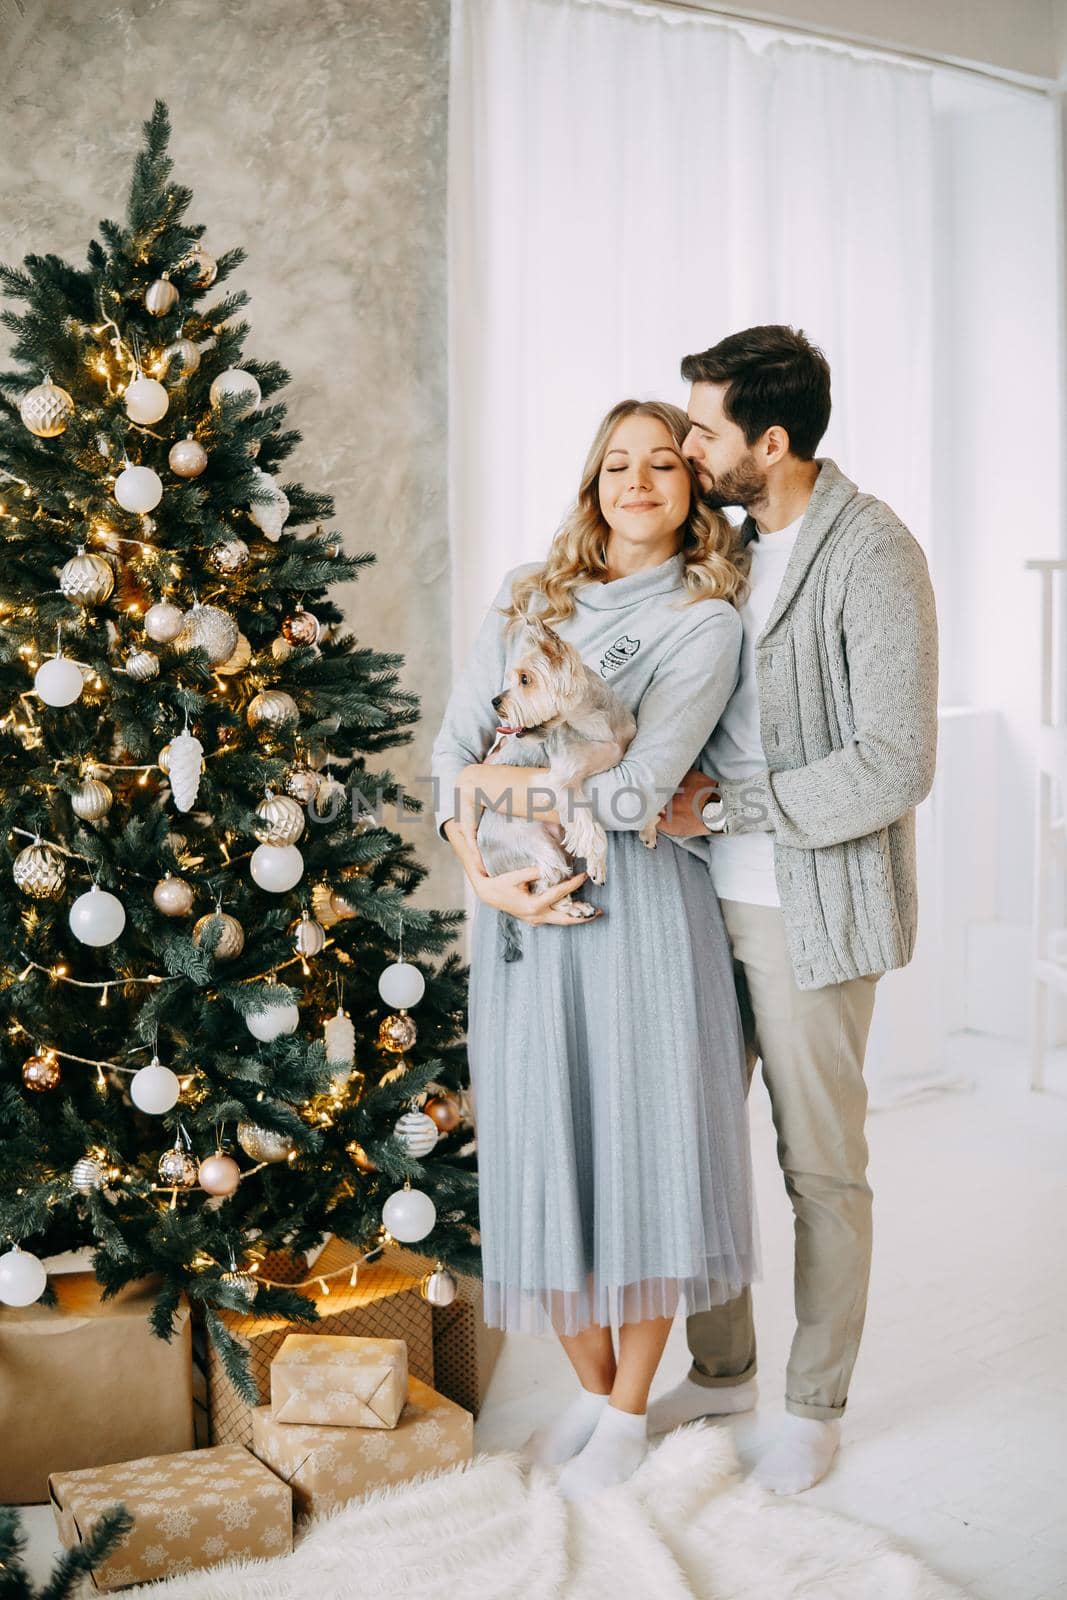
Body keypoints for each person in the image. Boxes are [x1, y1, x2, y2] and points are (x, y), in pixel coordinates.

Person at [431, 398, 759, 1501]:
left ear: (691, 488)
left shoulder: (703, 621)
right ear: (590, 484)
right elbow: (454, 746)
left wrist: (519, 789)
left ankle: (628, 1410)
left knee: (645, 1147)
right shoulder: (530, 596)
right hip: (518, 915)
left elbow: (636, 789)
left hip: (644, 927)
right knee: (539, 1143)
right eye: (616, 463)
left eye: (662, 462)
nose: (637, 481)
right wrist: (478, 861)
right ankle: (587, 1386)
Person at [646, 325, 939, 1495]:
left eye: (704, 428)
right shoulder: (718, 542)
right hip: (686, 906)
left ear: (769, 441)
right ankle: (719, 1372)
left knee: (819, 1168)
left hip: (807, 909)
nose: (683, 445)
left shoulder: (872, 554)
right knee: (698, 1152)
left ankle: (813, 1404)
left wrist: (726, 811)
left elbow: (896, 759)